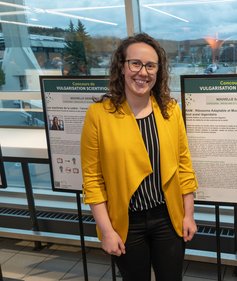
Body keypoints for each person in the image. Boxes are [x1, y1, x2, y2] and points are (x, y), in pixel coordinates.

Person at [80, 33, 198, 281]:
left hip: (168, 218)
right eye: (135, 63)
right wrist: (107, 231)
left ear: (158, 71)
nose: (142, 72)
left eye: (150, 65)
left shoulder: (170, 110)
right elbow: (92, 179)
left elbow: (184, 165)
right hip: (126, 224)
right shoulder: (99, 115)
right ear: (121, 67)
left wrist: (188, 214)